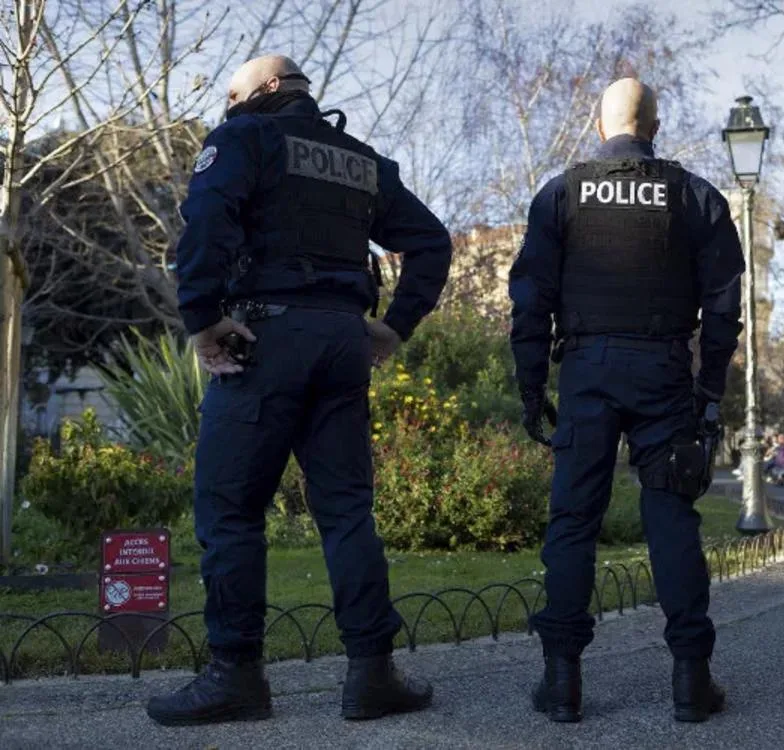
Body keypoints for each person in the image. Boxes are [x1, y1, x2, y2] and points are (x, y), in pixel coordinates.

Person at [146, 55, 453, 727]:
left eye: (233, 95)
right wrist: (395, 326)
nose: (226, 107)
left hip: (265, 340)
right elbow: (431, 242)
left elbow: (208, 219)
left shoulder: (244, 137)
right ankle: (373, 674)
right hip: (342, 342)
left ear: (269, 88)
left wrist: (202, 319)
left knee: (230, 511)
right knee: (346, 512)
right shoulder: (361, 160)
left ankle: (236, 677)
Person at [509, 77, 744, 724]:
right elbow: (725, 304)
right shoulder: (694, 196)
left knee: (572, 520)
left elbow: (530, 298)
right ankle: (692, 681)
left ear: (599, 125)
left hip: (587, 370)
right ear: (656, 126)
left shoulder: (562, 194)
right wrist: (709, 388)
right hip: (664, 370)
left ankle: (562, 682)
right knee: (671, 516)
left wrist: (531, 384)